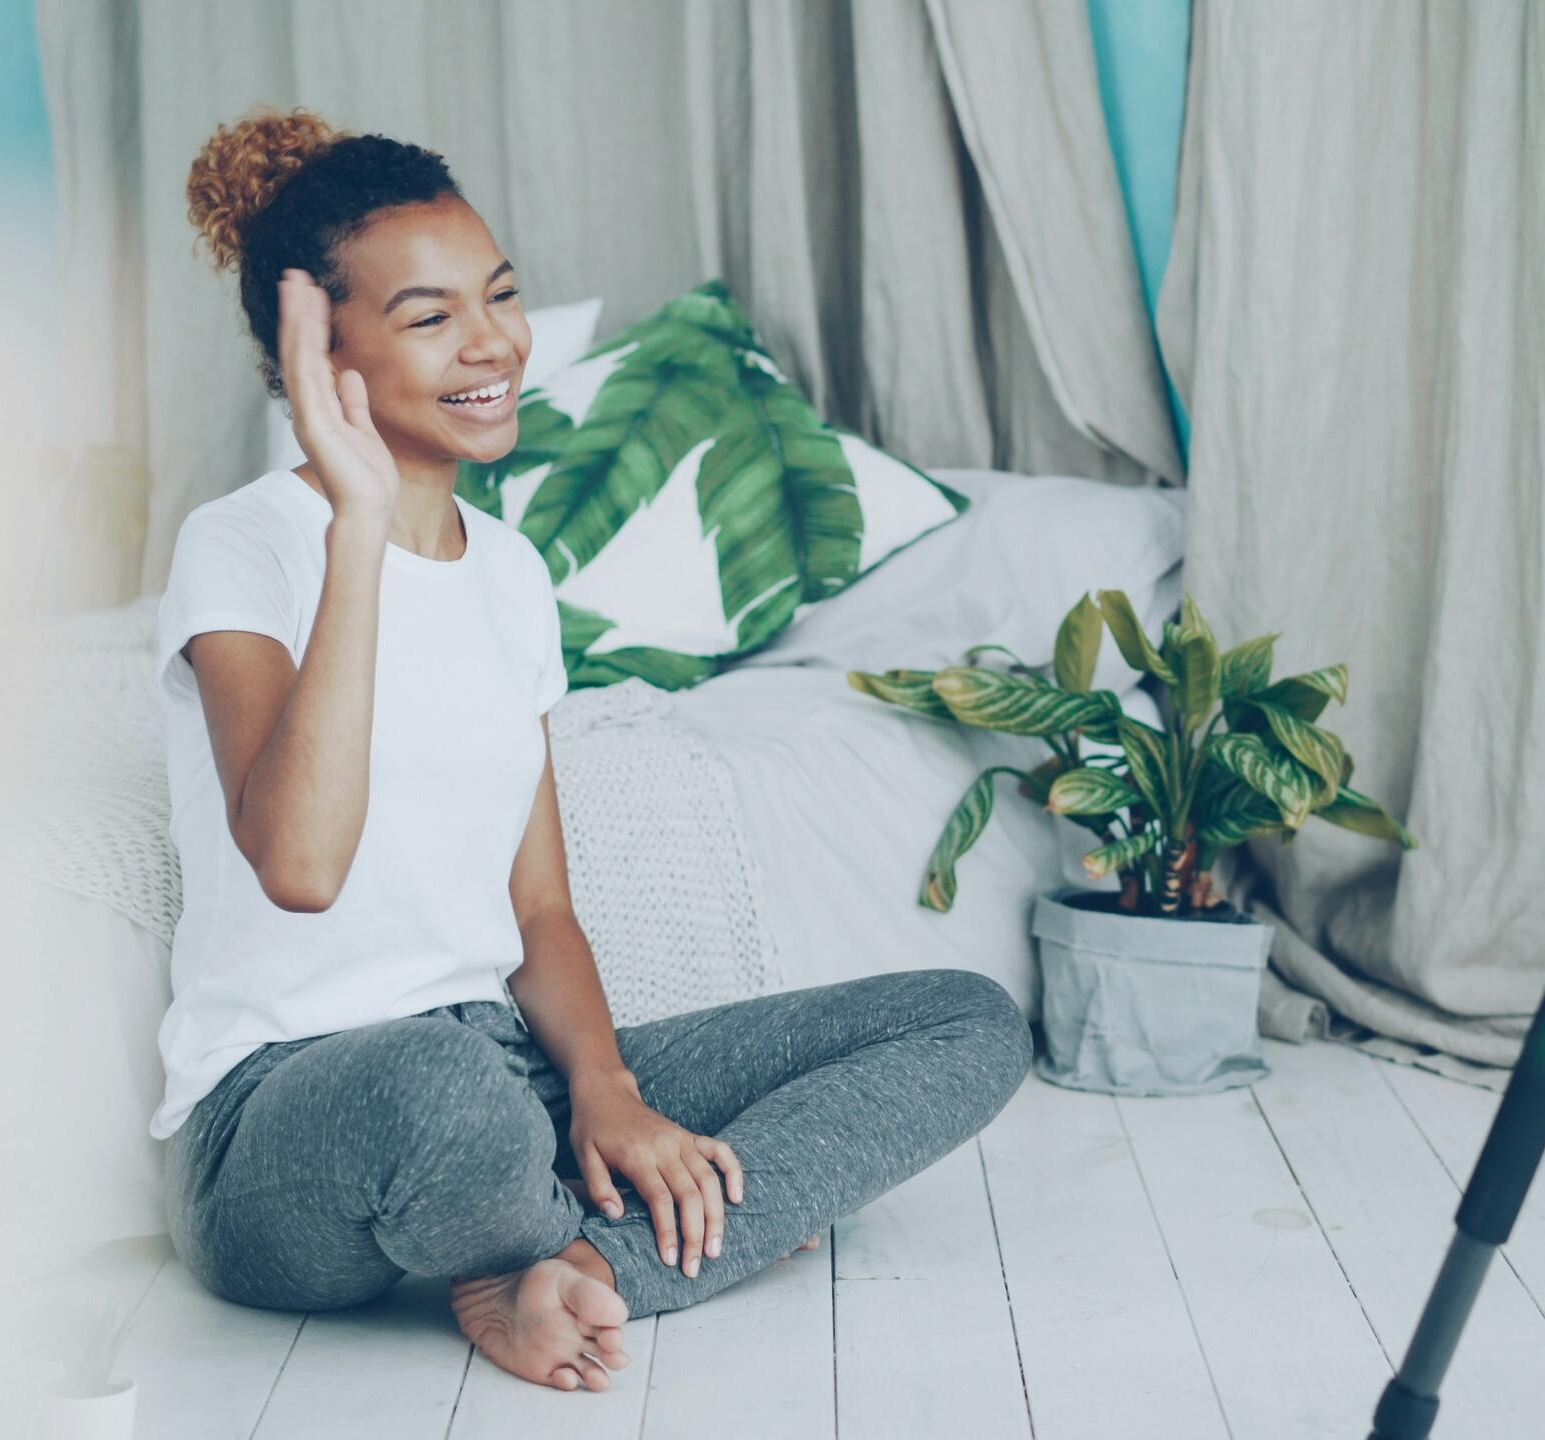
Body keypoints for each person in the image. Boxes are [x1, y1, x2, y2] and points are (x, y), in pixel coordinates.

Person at [152, 107, 1031, 1394]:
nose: (494, 342)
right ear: (319, 356)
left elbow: (539, 905)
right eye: (429, 316)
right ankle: (552, 1226)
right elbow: (299, 863)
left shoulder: (507, 574)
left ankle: (574, 1276)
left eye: (498, 296)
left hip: (503, 1066)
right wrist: (357, 533)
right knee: (447, 1092)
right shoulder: (242, 546)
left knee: (964, 1022)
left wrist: (608, 1089)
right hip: (286, 1122)